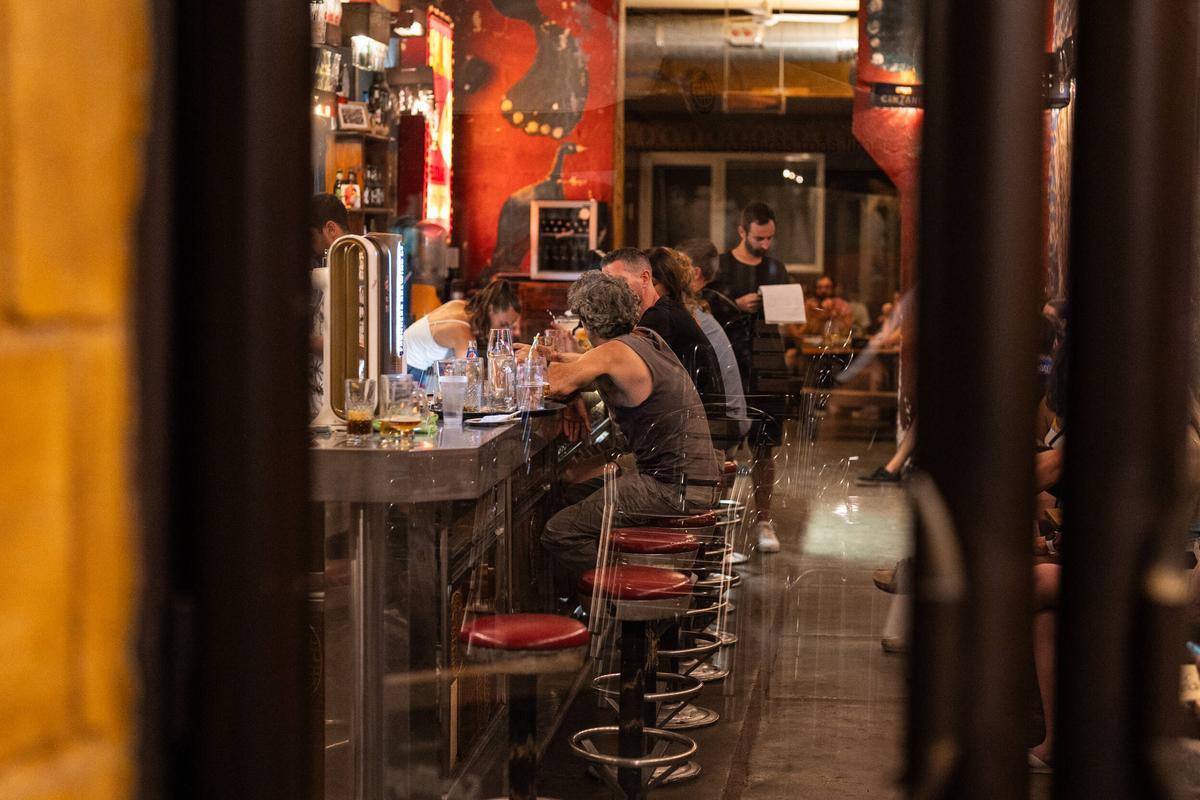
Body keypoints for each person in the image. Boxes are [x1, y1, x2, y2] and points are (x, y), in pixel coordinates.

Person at [541, 271, 721, 574]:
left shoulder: (613, 353)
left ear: (586, 322)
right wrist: (554, 355)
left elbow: (557, 385)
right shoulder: (645, 340)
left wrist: (534, 366)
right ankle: (610, 587)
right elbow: (585, 365)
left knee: (559, 532)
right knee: (573, 492)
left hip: (670, 487)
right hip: (694, 478)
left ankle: (633, 583)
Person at [707, 202, 791, 553]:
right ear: (742, 232)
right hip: (730, 359)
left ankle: (764, 520)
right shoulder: (721, 267)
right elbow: (704, 306)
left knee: (765, 445)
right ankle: (717, 525)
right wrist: (735, 305)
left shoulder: (776, 267)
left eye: (771, 237)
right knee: (722, 445)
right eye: (759, 237)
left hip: (768, 357)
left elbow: (786, 313)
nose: (766, 245)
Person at [600, 247, 725, 406]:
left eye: (618, 281)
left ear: (645, 278)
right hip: (689, 416)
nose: (609, 291)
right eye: (606, 284)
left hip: (698, 424)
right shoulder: (664, 310)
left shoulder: (660, 318)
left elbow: (615, 366)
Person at [673, 240, 751, 442]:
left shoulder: (693, 312)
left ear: (694, 272)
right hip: (730, 413)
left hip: (723, 420)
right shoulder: (701, 304)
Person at [403, 279, 523, 385]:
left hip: (402, 359)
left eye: (509, 327)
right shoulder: (462, 331)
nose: (504, 332)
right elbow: (470, 381)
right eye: (503, 324)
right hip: (409, 371)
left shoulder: (462, 306)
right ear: (490, 309)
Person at [309, 194, 350, 419]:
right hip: (324, 401)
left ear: (330, 229)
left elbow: (361, 347)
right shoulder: (331, 266)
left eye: (311, 236)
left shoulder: (359, 270)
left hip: (336, 401)